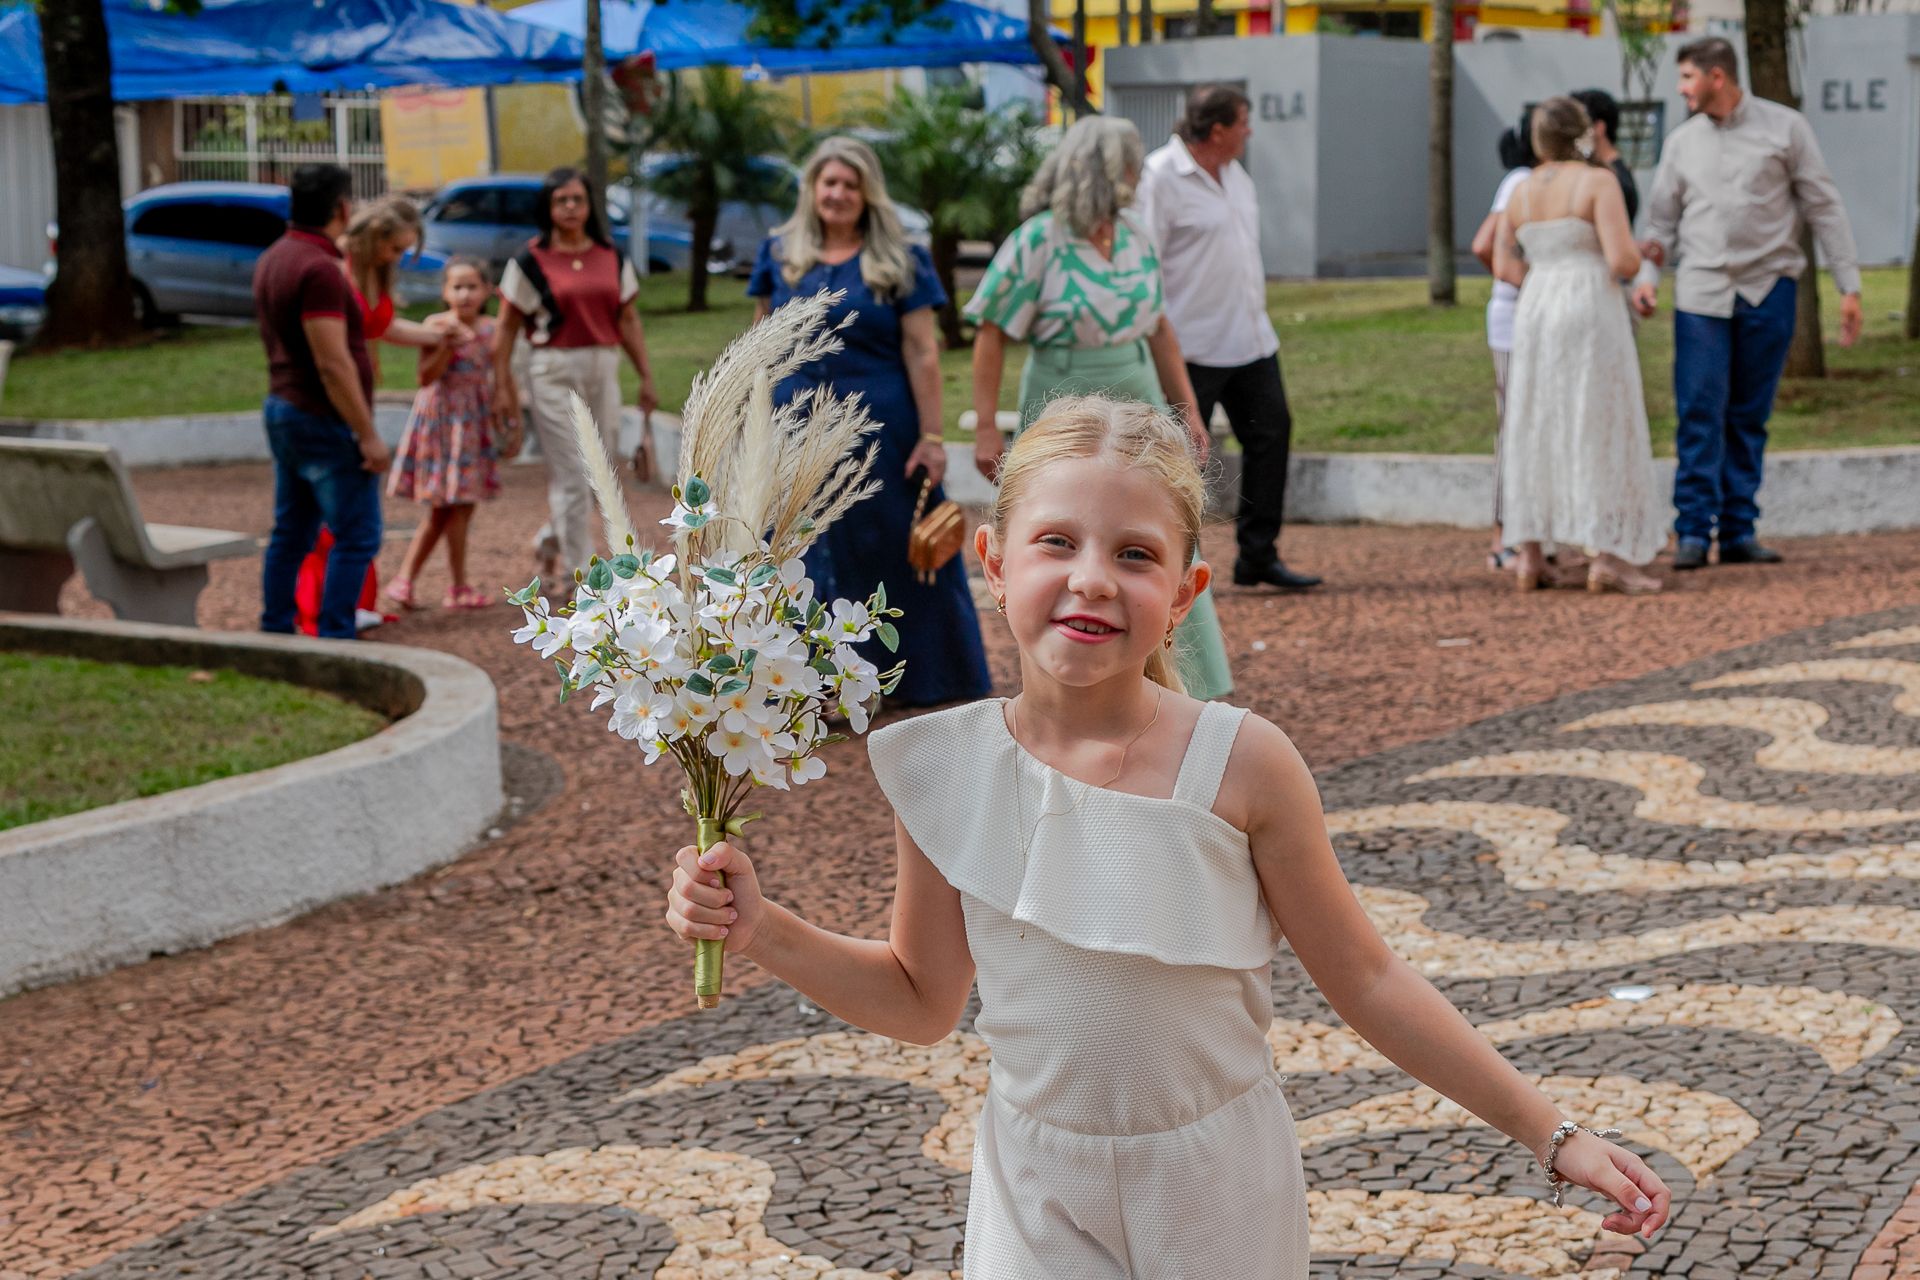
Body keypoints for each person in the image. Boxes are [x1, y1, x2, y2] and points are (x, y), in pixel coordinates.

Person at [664, 394, 1674, 1277]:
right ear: (992, 557)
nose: (1093, 578)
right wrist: (761, 927)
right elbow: (922, 997)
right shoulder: (947, 768)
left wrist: (1552, 1130)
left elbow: (1367, 977)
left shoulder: (1245, 764)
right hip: (1034, 1183)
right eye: (1057, 541)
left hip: (1216, 1182)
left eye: (1135, 554)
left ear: (1186, 591)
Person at [967, 116, 1234, 701]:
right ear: (1105, 169)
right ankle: (1065, 667)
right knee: (1064, 527)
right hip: (1061, 389)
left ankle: (1186, 679)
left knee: (1158, 527)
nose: (1138, 177)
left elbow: (1160, 326)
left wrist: (1187, 409)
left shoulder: (1136, 236)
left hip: (1135, 384)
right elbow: (991, 332)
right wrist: (987, 427)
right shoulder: (1038, 240)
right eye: (1130, 164)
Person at [747, 137, 990, 709]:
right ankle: (807, 689)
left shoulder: (901, 258)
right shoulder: (781, 253)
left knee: (895, 548)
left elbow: (924, 352)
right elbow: (758, 346)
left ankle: (917, 678)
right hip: (795, 428)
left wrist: (932, 439)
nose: (838, 193)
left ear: (868, 195)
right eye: (828, 182)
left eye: (850, 185)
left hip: (883, 430)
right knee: (800, 553)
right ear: (812, 189)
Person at [1630, 36, 1863, 570]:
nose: (1681, 88)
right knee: (1698, 411)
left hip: (1769, 288)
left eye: (1687, 77)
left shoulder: (1786, 128)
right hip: (1702, 293)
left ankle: (1738, 530)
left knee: (1748, 415)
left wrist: (1848, 285)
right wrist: (1648, 273)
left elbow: (1824, 206)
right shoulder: (1682, 142)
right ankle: (1693, 531)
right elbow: (1661, 221)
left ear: (1717, 77)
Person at [1137, 84, 1321, 592]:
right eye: (1243, 121)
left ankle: (1258, 556)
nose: (1250, 131)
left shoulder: (1237, 175)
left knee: (1272, 434)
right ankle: (1168, 569)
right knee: (1177, 458)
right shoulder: (1159, 177)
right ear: (1217, 130)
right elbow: (1144, 265)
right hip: (1189, 347)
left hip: (1251, 339)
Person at [1494, 97, 1666, 595]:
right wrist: (1644, 254)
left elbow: (1503, 262)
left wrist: (1541, 279)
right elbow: (1622, 261)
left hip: (1537, 304)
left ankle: (1529, 556)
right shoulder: (1597, 182)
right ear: (1584, 133)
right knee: (1600, 416)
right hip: (1589, 303)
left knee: (1534, 418)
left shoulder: (1522, 189)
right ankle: (1609, 556)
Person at [290, 196, 468, 636]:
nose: (396, 259)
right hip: (335, 404)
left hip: (355, 398)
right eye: (393, 249)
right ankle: (329, 614)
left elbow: (382, 326)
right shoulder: (337, 271)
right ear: (373, 238)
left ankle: (345, 606)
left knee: (349, 519)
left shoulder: (370, 274)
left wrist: (436, 334)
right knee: (342, 519)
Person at [493, 167, 659, 586]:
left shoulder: (611, 256)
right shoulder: (530, 261)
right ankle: (581, 576)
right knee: (571, 471)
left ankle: (552, 539)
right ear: (547, 208)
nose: (569, 207)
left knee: (600, 469)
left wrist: (645, 375)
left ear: (589, 206)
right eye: (560, 200)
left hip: (603, 365)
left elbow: (629, 319)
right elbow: (507, 327)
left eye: (577, 199)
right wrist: (502, 385)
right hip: (552, 368)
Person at [252, 163, 388, 641]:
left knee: (291, 531)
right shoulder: (317, 270)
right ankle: (334, 637)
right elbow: (332, 362)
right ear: (342, 209)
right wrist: (367, 434)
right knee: (358, 535)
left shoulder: (274, 257)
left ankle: (275, 630)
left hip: (283, 407)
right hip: (320, 416)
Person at [386, 257, 504, 609]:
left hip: (474, 423)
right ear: (444, 292)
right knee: (444, 508)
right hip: (441, 422)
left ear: (486, 291)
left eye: (472, 286)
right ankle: (427, 582)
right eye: (457, 286)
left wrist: (503, 420)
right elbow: (425, 377)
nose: (465, 294)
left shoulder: (492, 328)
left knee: (461, 508)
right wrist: (446, 345)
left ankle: (438, 584)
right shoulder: (436, 325)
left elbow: (498, 376)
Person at [1470, 118, 1535, 571]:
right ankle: (1501, 538)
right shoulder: (1520, 180)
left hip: (1528, 318)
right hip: (1515, 320)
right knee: (1513, 428)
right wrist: (1536, 284)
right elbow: (1485, 246)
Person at [1570, 88, 1639, 224]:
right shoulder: (1606, 173)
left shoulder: (1615, 180)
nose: (1572, 133)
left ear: (1599, 128)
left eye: (1578, 124)